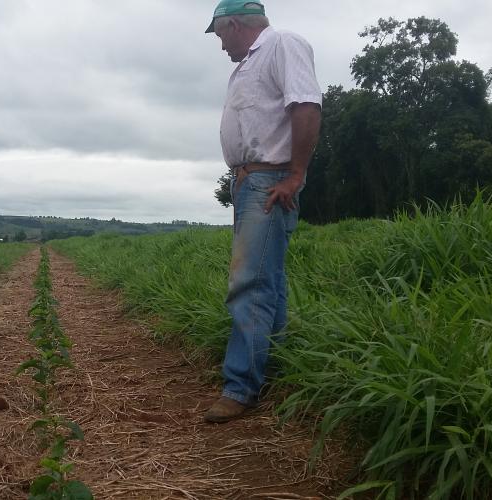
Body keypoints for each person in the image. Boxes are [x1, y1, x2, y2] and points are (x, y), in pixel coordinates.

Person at [203, 0, 322, 423]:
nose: (221, 47)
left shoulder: (282, 45)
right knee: (269, 281)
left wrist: (295, 176)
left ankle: (240, 387)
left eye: (220, 36)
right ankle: (278, 369)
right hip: (249, 182)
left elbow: (306, 106)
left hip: (268, 182)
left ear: (234, 24)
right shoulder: (248, 64)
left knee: (248, 283)